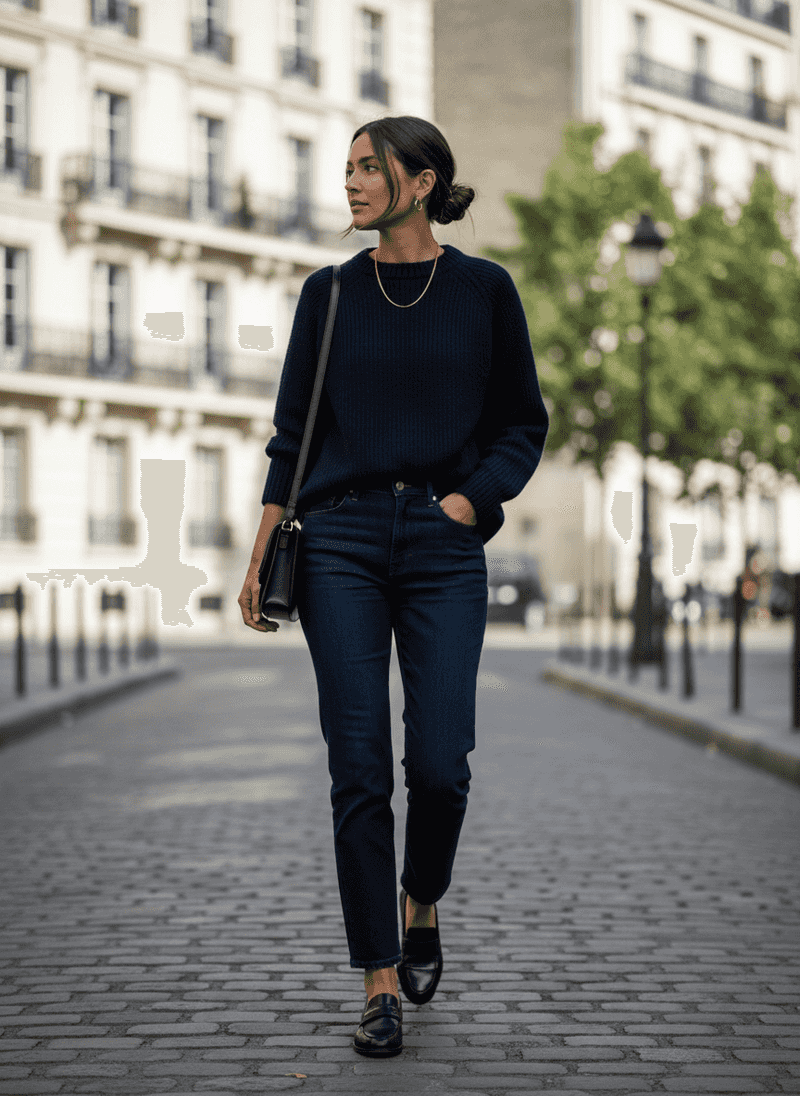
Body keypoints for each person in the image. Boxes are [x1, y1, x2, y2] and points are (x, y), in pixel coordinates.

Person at [238, 115, 549, 1058]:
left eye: (369, 169)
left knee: (442, 765)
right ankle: (378, 977)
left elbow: (522, 424)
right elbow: (291, 436)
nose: (352, 184)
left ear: (422, 182)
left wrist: (470, 501)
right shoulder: (327, 294)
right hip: (337, 543)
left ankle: (423, 899)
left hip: (443, 544)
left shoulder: (485, 291)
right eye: (348, 170)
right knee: (360, 767)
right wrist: (258, 557)